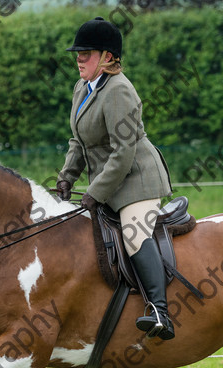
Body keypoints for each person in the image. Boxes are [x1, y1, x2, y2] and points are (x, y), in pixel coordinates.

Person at [56, 16, 175, 341]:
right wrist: (66, 178)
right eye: (78, 53)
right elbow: (78, 142)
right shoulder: (82, 87)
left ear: (108, 57)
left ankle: (160, 312)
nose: (79, 59)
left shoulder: (119, 91)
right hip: (110, 182)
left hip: (137, 181)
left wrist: (95, 191)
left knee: (135, 234)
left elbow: (123, 153)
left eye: (87, 53)